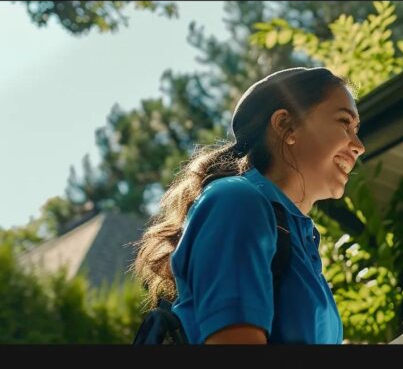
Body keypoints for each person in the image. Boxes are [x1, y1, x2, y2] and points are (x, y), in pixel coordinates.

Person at [132, 67, 364, 344]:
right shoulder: (237, 202)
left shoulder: (299, 238)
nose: (359, 145)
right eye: (344, 123)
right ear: (285, 125)